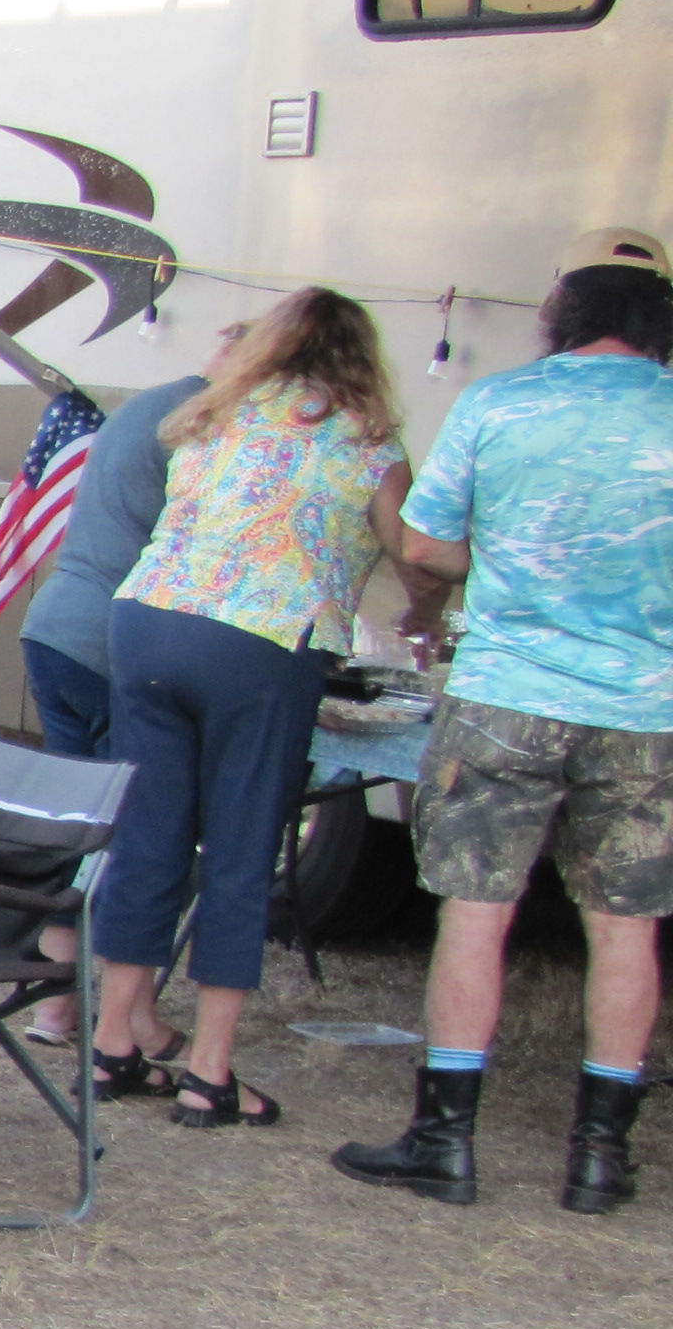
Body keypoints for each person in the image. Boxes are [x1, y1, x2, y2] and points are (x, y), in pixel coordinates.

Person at [336, 240, 673, 1214]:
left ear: (560, 317)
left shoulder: (498, 404)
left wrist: (505, 557)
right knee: (626, 929)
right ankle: (599, 1158)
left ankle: (444, 1141)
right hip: (642, 706)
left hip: (508, 692)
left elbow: (424, 544)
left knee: (475, 913)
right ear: (661, 329)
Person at [86, 290, 427, 1131]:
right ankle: (208, 1072)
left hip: (146, 622)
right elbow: (412, 553)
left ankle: (111, 1045)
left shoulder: (216, 414)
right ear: (359, 357)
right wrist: (423, 607)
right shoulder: (367, 440)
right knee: (240, 848)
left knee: (149, 835)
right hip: (261, 640)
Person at [13, 325, 246, 1072]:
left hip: (54, 626)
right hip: (117, 640)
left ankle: (51, 1004)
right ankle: (132, 1015)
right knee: (140, 833)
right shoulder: (209, 423)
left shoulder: (148, 402)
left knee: (78, 822)